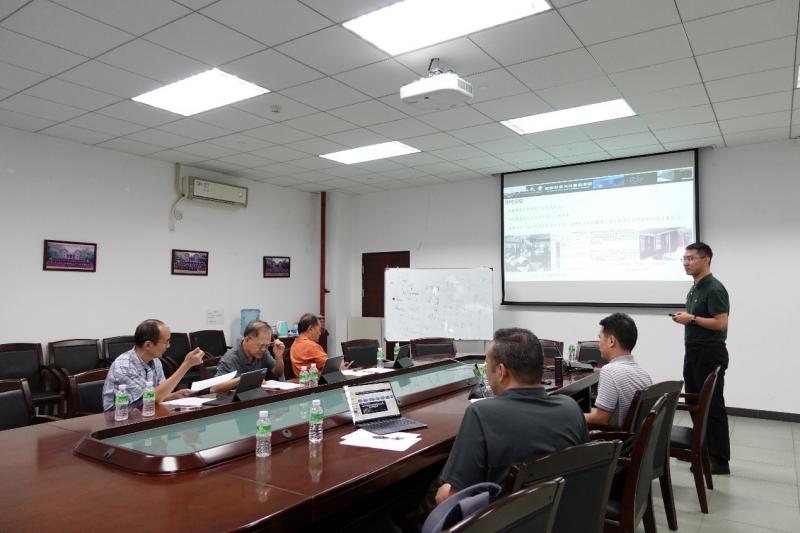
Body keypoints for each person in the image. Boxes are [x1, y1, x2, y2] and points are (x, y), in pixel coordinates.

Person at [435, 328, 589, 504]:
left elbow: (452, 498)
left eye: (487, 365)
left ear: (501, 371)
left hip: (501, 517)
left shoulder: (481, 414)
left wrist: (444, 492)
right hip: (562, 511)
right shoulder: (571, 408)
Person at [671, 241, 731, 474]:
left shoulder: (714, 288)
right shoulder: (695, 287)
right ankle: (701, 450)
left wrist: (692, 319)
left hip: (709, 352)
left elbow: (721, 323)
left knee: (712, 405)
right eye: (684, 259)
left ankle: (720, 460)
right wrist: (687, 318)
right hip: (694, 351)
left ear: (705, 259)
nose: (686, 263)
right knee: (695, 403)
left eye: (691, 258)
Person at [102, 319, 204, 411]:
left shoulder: (155, 360)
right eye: (166, 342)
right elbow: (154, 397)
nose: (168, 346)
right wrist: (186, 365)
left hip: (146, 413)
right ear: (148, 345)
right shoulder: (124, 366)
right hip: (119, 419)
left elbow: (158, 394)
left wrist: (174, 396)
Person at [584, 313, 652, 428]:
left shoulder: (610, 371)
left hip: (614, 437)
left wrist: (572, 416)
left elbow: (600, 419)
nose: (598, 343)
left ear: (611, 341)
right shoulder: (644, 374)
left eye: (600, 338)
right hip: (635, 436)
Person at [210, 320, 285, 392]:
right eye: (260, 345)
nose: (263, 349)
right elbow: (214, 388)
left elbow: (277, 373)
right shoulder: (230, 358)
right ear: (247, 339)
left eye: (267, 345)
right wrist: (246, 379)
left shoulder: (263, 351)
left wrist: (279, 357)